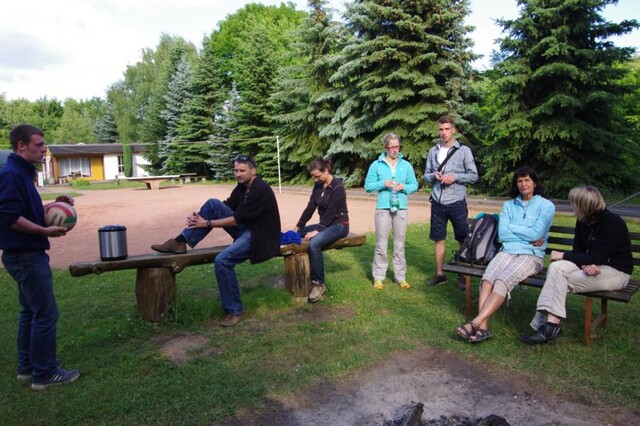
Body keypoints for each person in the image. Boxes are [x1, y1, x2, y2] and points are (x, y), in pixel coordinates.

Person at [151, 154, 281, 327]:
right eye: (236, 170)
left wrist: (206, 223)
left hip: (260, 237)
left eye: (242, 171)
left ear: (253, 171)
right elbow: (227, 206)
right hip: (246, 229)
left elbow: (238, 219)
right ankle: (180, 241)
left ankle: (235, 311)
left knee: (223, 260)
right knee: (213, 204)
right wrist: (200, 217)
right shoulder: (242, 187)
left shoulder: (260, 189)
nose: (238, 174)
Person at [0, 124, 81, 390]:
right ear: (21, 145)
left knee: (30, 311)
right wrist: (44, 231)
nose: (43, 149)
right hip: (25, 255)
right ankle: (44, 374)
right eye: (38, 145)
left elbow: (26, 210)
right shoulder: (12, 174)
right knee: (45, 314)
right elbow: (10, 217)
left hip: (22, 253)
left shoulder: (21, 172)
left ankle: (27, 367)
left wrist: (54, 204)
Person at [521, 186, 633, 345]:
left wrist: (563, 255)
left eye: (573, 203)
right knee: (556, 268)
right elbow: (579, 251)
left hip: (616, 271)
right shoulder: (583, 221)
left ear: (583, 205)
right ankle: (551, 326)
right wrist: (585, 265)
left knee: (558, 278)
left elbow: (598, 256)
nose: (571, 206)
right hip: (591, 265)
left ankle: (547, 327)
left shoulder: (613, 223)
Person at [455, 166, 555, 343]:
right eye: (519, 181)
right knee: (487, 280)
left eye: (527, 180)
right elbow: (503, 234)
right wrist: (527, 233)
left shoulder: (546, 206)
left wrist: (514, 228)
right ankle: (483, 328)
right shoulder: (509, 205)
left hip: (531, 255)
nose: (523, 184)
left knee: (502, 281)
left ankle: (475, 323)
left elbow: (537, 233)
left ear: (535, 183)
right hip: (507, 250)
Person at [424, 116, 478, 289]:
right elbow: (426, 176)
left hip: (456, 201)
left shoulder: (463, 151)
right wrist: (434, 176)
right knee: (438, 238)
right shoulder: (433, 151)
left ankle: (463, 274)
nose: (444, 132)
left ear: (453, 130)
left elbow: (473, 175)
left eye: (447, 129)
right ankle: (440, 274)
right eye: (441, 129)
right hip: (437, 201)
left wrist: (455, 177)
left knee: (462, 237)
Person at [364, 133, 419, 289]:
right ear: (385, 147)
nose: (395, 150)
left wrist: (404, 187)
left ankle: (400, 277)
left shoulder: (406, 165)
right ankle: (378, 277)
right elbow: (368, 186)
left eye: (397, 146)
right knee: (381, 243)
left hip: (401, 209)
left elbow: (414, 185)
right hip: (383, 208)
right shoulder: (376, 165)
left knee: (399, 244)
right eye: (391, 147)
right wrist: (383, 183)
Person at [292, 157, 349, 303]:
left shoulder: (338, 188)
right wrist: (299, 225)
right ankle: (301, 274)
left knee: (314, 243)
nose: (315, 179)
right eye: (313, 177)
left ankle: (318, 283)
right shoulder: (318, 186)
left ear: (326, 171)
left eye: (317, 176)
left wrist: (318, 230)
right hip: (326, 224)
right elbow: (310, 207)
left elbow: (331, 213)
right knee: (296, 234)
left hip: (339, 225)